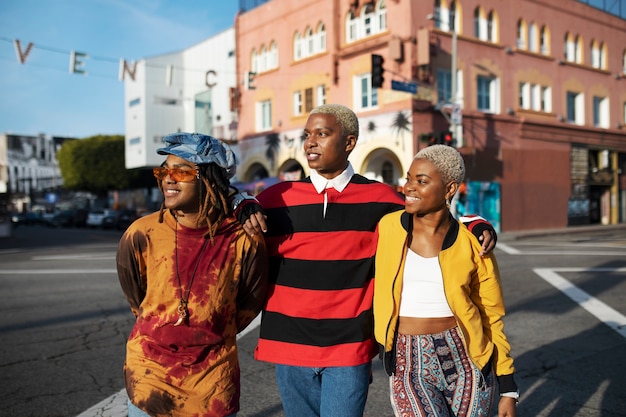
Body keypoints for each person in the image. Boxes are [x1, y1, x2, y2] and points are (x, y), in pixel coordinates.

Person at [243, 104, 497, 417]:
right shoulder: (275, 199)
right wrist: (241, 205)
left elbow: (434, 217)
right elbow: (223, 224)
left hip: (350, 346)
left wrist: (475, 222)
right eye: (307, 135)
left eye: (322, 134)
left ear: (349, 142)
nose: (310, 142)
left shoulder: (383, 200)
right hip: (290, 346)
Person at [116, 132, 268, 417]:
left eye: (181, 171)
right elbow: (137, 299)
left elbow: (248, 306)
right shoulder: (141, 233)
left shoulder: (244, 239)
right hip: (149, 377)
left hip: (212, 385)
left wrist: (208, 326)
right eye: (164, 171)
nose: (168, 179)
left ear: (210, 179)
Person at [373, 144, 518, 417]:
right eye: (409, 178)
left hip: (467, 358)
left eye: (422, 181)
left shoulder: (474, 243)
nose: (410, 187)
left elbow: (491, 315)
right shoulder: (387, 227)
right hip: (407, 359)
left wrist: (508, 388)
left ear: (450, 189)